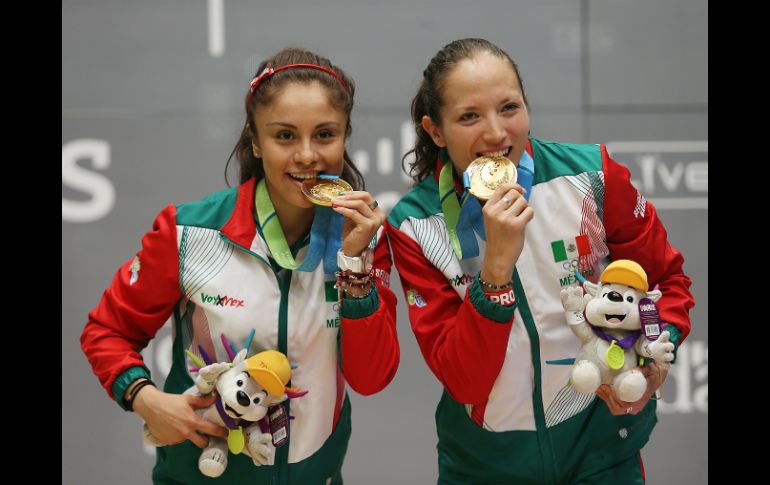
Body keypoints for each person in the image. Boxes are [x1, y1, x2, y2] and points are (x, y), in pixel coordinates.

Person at [81, 47, 399, 484]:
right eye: (284, 136)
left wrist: (356, 268)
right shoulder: (191, 232)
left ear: (345, 136)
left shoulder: (362, 239)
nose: (307, 155)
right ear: (255, 139)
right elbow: (107, 331)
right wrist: (143, 396)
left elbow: (371, 377)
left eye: (325, 134)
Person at [386, 38, 694, 484]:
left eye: (509, 107)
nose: (496, 133)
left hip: (601, 455)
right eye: (469, 116)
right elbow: (465, 382)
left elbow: (665, 282)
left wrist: (651, 357)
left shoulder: (593, 177)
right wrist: (494, 271)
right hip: (484, 465)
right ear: (435, 131)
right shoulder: (415, 224)